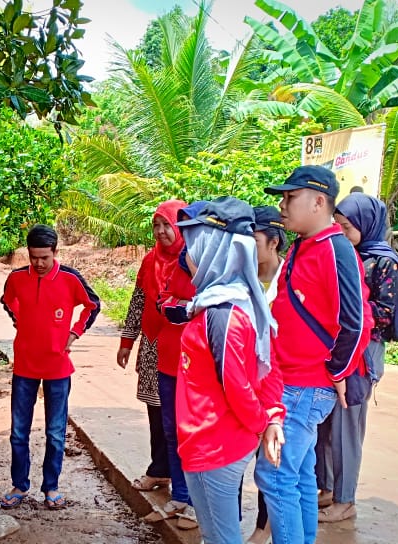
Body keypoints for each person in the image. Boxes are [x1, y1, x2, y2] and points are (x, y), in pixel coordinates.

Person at [255, 166, 372, 544]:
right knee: (301, 475)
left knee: (274, 475)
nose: (282, 205)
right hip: (291, 381)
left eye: (291, 197)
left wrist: (337, 371)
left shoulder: (336, 249)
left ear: (319, 201)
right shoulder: (304, 245)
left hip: (305, 385)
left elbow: (356, 323)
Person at [174, 197, 284, 544]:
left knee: (220, 539)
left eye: (194, 246)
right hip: (209, 441)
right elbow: (270, 367)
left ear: (214, 251)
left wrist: (262, 423)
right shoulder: (234, 301)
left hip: (214, 444)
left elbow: (238, 386)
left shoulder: (222, 313)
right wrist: (271, 418)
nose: (187, 256)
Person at [316, 193, 398, 523]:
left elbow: (385, 312)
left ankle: (345, 500)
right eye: (338, 226)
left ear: (366, 224)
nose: (342, 233)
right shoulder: (347, 255)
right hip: (339, 345)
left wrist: (346, 307)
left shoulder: (384, 262)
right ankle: (328, 487)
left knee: (346, 426)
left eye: (347, 227)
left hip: (365, 350)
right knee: (326, 422)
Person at [0, 225, 100, 510]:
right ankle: (19, 485)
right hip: (24, 367)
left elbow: (92, 305)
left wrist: (75, 332)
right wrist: (21, 320)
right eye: (34, 257)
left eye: (45, 257)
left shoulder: (70, 278)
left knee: (55, 433)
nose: (39, 263)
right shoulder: (17, 278)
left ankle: (51, 487)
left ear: (55, 252)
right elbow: (7, 300)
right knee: (19, 432)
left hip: (58, 368)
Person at [116, 202, 187, 495]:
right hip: (153, 345)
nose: (160, 231)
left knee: (180, 414)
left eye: (167, 224)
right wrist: (127, 341)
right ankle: (160, 470)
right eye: (156, 225)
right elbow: (138, 301)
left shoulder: (192, 259)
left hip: (184, 348)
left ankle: (180, 477)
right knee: (156, 411)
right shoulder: (150, 260)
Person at [247, 206, 289, 544]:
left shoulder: (289, 279)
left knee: (271, 461)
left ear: (273, 242)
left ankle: (264, 529)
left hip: (281, 379)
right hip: (249, 381)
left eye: (255, 239)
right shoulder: (242, 277)